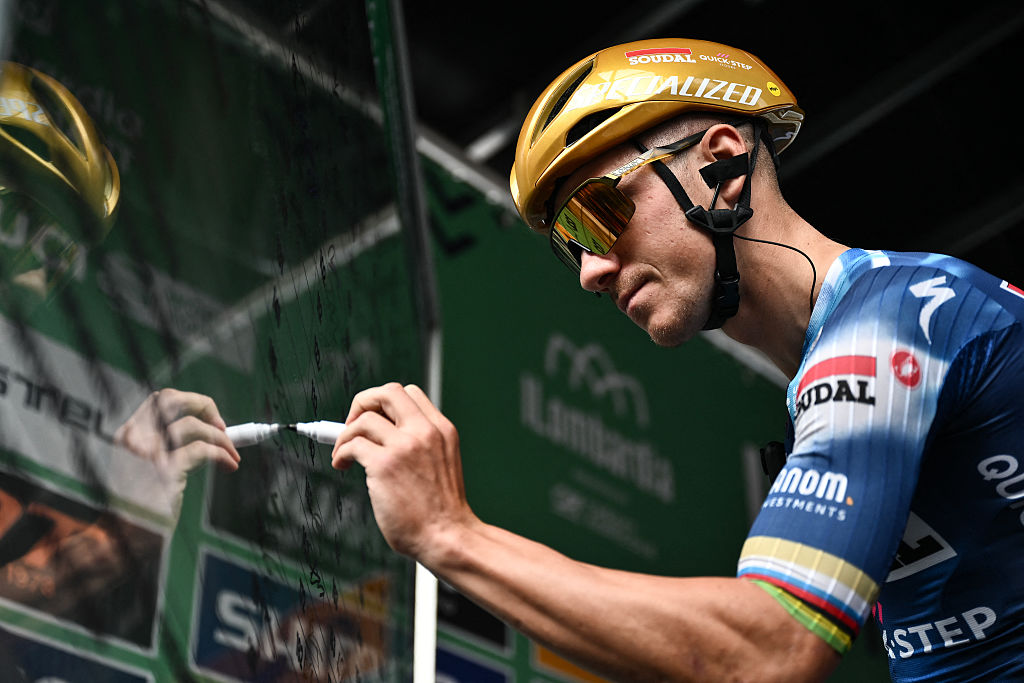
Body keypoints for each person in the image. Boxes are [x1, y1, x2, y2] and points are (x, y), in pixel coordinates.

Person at [330, 38, 1024, 682]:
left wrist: (451, 534)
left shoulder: (890, 324)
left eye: (598, 213)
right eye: (572, 242)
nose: (590, 271)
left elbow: (771, 647)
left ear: (721, 162)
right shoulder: (863, 344)